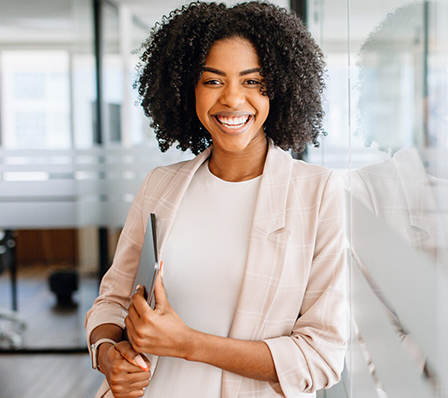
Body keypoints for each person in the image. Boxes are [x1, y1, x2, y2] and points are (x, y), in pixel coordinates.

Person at [85, 2, 347, 397]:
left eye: (252, 82)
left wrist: (189, 344)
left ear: (280, 88)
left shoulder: (318, 194)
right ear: (187, 89)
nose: (232, 99)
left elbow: (320, 358)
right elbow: (113, 300)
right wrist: (108, 355)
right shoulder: (160, 186)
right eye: (212, 81)